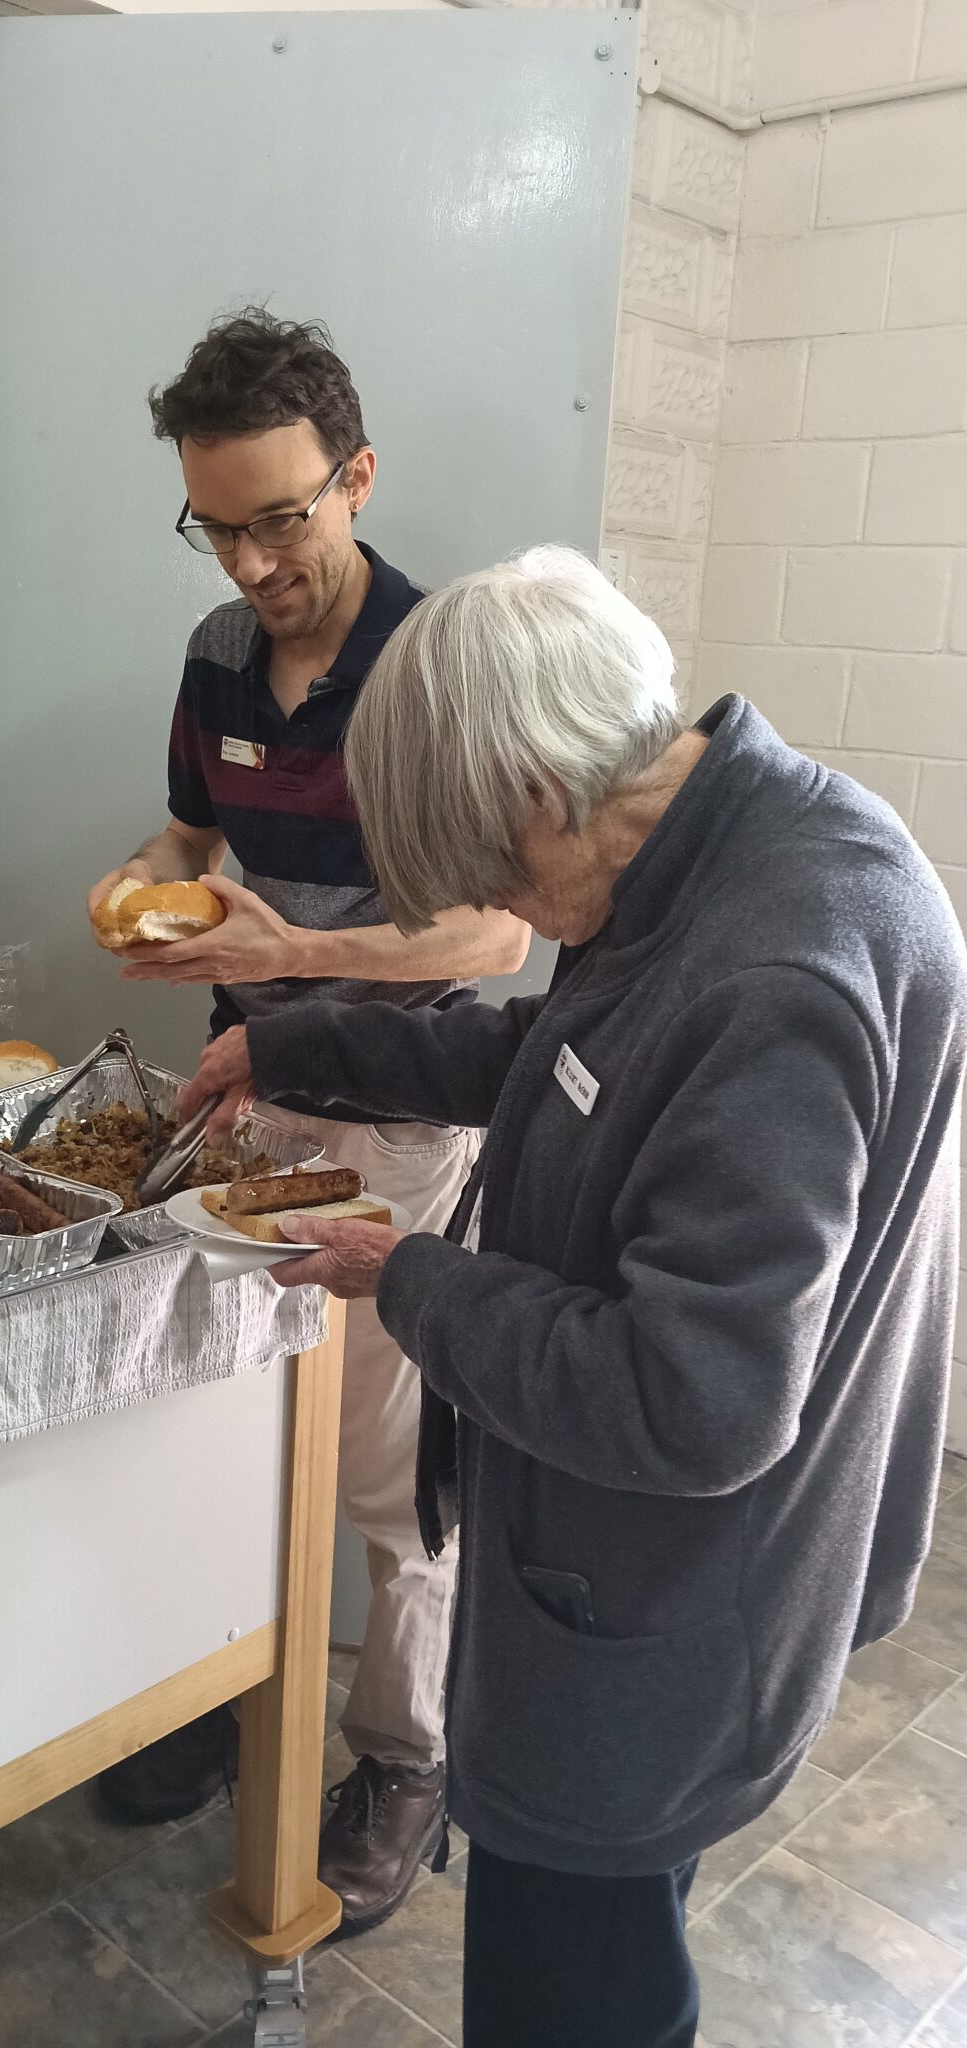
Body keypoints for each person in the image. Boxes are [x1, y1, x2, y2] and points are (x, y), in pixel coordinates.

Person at [185, 547, 967, 2047]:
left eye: (493, 873)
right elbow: (572, 1057)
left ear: (538, 788)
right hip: (666, 1578)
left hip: (667, 1612)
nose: (504, 910)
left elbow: (694, 1402)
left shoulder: (776, 967)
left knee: (576, 1986)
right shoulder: (725, 842)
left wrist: (407, 1275)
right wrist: (298, 1043)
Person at [88, 309, 529, 1932]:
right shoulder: (218, 653)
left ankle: (403, 1758)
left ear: (357, 477)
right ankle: (226, 1689)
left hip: (400, 1120)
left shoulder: (437, 667)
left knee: (387, 1476)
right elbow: (191, 834)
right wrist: (141, 884)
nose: (253, 563)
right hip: (243, 1095)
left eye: (280, 518)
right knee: (215, 1419)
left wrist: (295, 956)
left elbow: (499, 933)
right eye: (217, 525)